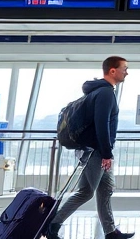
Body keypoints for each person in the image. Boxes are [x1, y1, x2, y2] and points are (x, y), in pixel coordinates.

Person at [47, 57, 133, 239]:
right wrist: (107, 153)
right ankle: (52, 224)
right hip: (96, 151)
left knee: (106, 189)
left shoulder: (99, 92)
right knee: (86, 192)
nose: (127, 71)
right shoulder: (105, 94)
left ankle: (110, 232)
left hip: (95, 149)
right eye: (124, 68)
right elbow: (101, 124)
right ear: (112, 71)